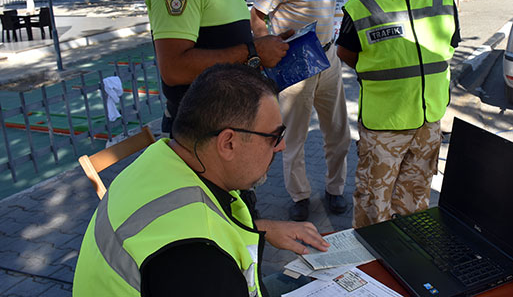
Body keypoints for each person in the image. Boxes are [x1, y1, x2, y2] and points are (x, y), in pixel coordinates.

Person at [73, 64, 330, 297]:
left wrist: (262, 228)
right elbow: (194, 246)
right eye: (274, 136)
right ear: (228, 143)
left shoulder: (160, 158)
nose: (282, 146)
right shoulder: (199, 261)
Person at [146, 0, 291, 217]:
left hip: (232, 137)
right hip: (203, 145)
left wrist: (264, 48)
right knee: (215, 236)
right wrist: (252, 51)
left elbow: (228, 45)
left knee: (240, 230)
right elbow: (174, 68)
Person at [336, 0, 460, 228]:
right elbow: (347, 54)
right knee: (372, 203)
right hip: (384, 129)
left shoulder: (444, 0)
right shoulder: (363, 5)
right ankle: (370, 265)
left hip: (428, 123)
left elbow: (449, 48)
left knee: (416, 200)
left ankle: (409, 258)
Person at [251, 0, 351, 222]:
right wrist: (268, 52)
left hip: (328, 59)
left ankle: (334, 189)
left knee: (339, 132)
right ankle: (300, 196)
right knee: (294, 138)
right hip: (297, 64)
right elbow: (257, 16)